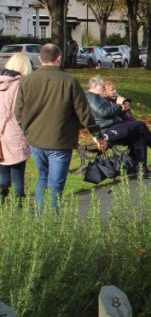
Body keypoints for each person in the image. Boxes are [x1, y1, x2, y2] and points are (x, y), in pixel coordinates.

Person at [15, 44, 104, 212]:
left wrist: (27, 130)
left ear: (40, 59)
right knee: (55, 183)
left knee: (43, 177)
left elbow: (18, 111)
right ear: (59, 58)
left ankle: (43, 218)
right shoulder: (69, 81)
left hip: (36, 139)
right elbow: (83, 112)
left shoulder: (27, 80)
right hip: (60, 139)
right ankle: (51, 221)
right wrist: (97, 134)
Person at [86, 76, 151, 176]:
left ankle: (142, 171)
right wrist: (118, 104)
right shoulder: (91, 97)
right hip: (106, 132)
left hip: (114, 128)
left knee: (139, 138)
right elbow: (104, 112)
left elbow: (109, 115)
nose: (104, 88)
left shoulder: (97, 97)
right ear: (95, 86)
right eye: (102, 86)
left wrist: (122, 109)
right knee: (140, 125)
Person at [0, 54, 32, 205]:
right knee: (18, 177)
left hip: (1, 134)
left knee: (4, 176)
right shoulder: (22, 84)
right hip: (15, 133)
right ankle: (18, 211)